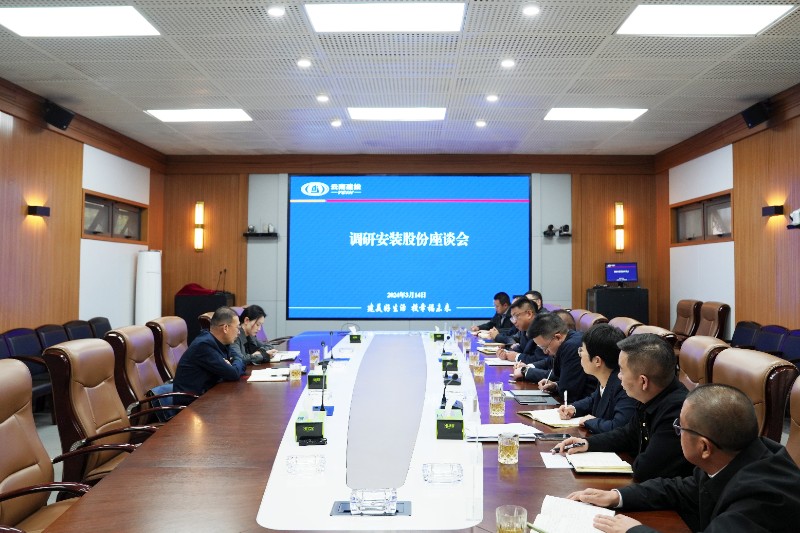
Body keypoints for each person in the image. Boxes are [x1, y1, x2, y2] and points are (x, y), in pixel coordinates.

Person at [567, 384, 800, 533]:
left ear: (704, 447)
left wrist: (634, 530)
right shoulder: (732, 457)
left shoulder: (762, 499)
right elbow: (679, 489)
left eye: (680, 428)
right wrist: (617, 496)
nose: (676, 432)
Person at [552, 333, 692, 482]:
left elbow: (645, 470)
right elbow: (627, 434)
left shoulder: (677, 412)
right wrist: (587, 443)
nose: (618, 376)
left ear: (643, 382)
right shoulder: (652, 395)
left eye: (622, 371)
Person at [558, 323, 637, 434]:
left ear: (597, 361)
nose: (579, 354)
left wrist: (590, 421)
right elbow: (594, 399)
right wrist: (574, 408)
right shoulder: (606, 376)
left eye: (582, 350)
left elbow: (618, 428)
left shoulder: (624, 385)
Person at [173, 306, 246, 405]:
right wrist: (234, 363)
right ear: (225, 328)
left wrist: (234, 362)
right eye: (237, 327)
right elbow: (234, 374)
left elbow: (239, 360)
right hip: (192, 404)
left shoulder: (221, 342)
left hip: (208, 397)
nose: (239, 332)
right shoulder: (204, 345)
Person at [517, 313, 595, 403]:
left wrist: (559, 386)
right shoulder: (566, 342)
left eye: (545, 347)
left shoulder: (572, 346)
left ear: (558, 337)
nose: (545, 352)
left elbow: (568, 393)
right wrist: (555, 385)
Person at [495, 298, 546, 364]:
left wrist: (517, 357)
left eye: (515, 316)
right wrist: (506, 353)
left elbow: (540, 359)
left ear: (529, 314)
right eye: (512, 318)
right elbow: (523, 350)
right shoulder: (524, 329)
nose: (514, 322)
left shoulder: (542, 328)